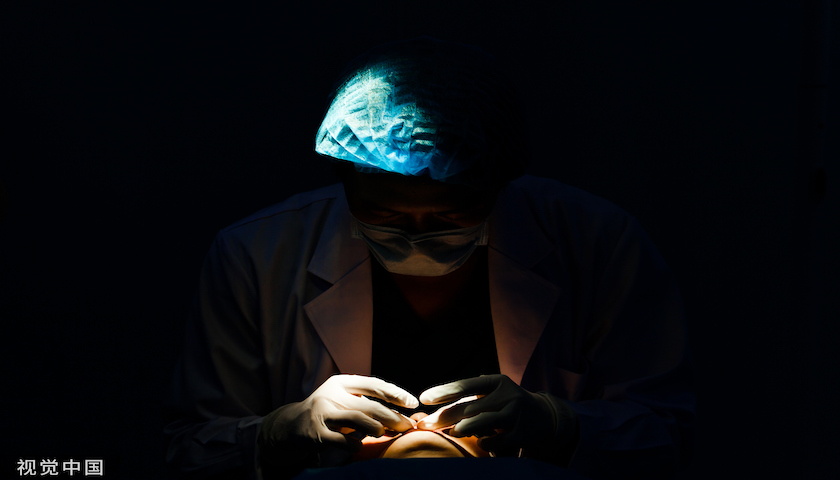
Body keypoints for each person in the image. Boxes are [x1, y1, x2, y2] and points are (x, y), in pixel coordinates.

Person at [163, 37, 695, 480]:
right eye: (385, 214)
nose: (417, 235)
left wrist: (562, 426)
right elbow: (188, 453)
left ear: (497, 186)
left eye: (450, 215)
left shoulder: (597, 244)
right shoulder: (257, 256)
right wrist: (280, 433)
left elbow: (670, 438)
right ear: (344, 183)